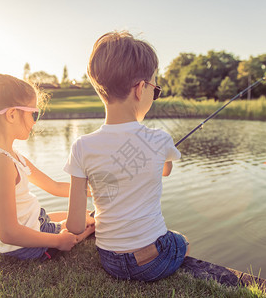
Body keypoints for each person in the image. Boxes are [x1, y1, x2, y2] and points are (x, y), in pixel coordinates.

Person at [64, 31, 189, 281]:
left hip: (110, 260)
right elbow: (165, 171)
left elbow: (75, 226)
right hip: (152, 262)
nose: (154, 94)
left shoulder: (81, 146)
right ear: (141, 88)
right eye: (156, 89)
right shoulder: (160, 139)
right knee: (180, 241)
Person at [0, 74, 95, 260]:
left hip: (34, 223)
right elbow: (9, 233)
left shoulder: (10, 156)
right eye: (33, 114)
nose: (35, 122)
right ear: (12, 114)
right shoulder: (0, 163)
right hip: (23, 245)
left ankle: (71, 226)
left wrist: (94, 190)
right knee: (94, 222)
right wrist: (58, 241)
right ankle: (78, 233)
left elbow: (54, 187)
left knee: (85, 215)